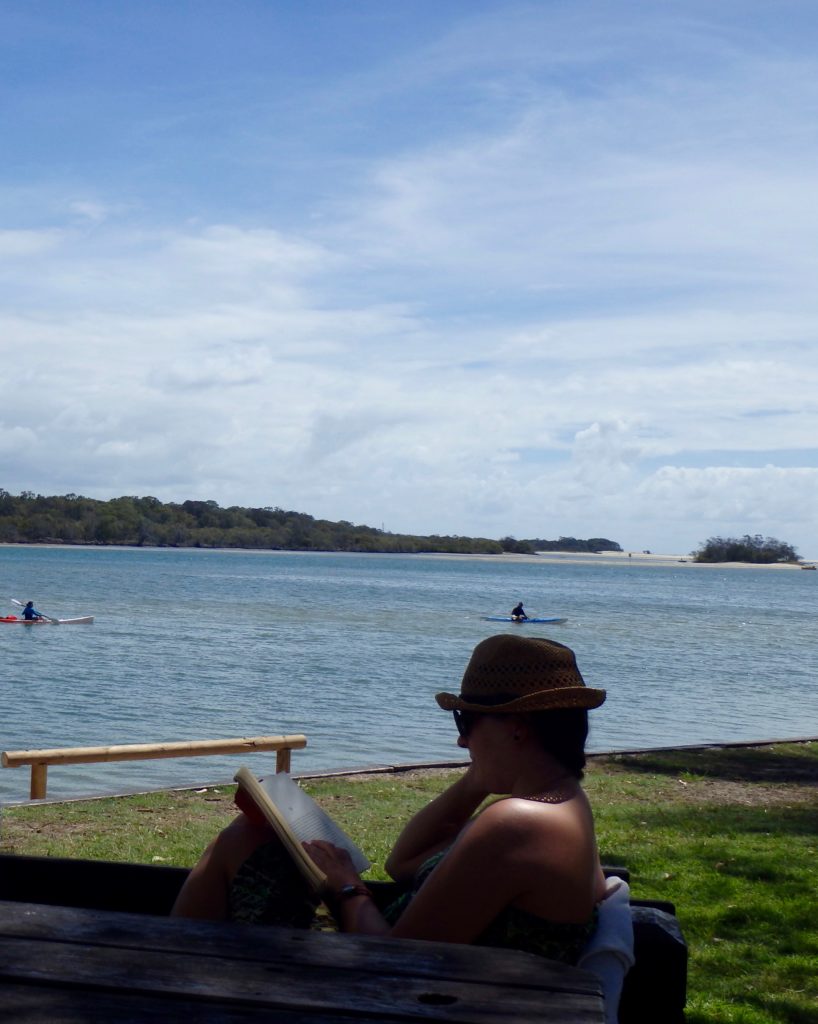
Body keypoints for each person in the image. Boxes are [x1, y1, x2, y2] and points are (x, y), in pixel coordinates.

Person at [172, 634, 608, 966]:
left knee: (238, 842)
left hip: (391, 989)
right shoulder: (562, 804)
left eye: (467, 719)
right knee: (250, 833)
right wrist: (476, 780)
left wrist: (344, 884)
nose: (460, 739)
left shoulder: (518, 824)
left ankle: (161, 978)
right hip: (443, 977)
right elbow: (404, 863)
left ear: (518, 727)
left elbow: (397, 959)